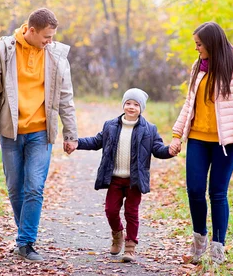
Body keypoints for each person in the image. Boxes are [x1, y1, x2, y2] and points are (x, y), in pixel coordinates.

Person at [0, 8, 78, 262]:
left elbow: (65, 97)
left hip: (40, 132)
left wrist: (71, 134)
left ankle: (25, 243)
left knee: (34, 187)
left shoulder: (56, 55)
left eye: (52, 36)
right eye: (46, 36)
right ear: (31, 31)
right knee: (16, 189)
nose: (50, 41)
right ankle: (25, 234)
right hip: (10, 132)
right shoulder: (4, 50)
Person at [168, 21, 233, 265]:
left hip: (225, 144)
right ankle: (199, 242)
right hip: (197, 138)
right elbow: (189, 104)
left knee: (217, 193)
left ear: (212, 43)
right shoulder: (199, 66)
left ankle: (218, 248)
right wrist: (177, 135)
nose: (196, 49)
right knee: (195, 190)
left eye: (199, 44)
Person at [66, 88, 177, 263]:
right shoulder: (110, 126)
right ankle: (117, 234)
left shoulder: (149, 129)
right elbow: (96, 142)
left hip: (134, 181)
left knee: (131, 213)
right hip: (115, 179)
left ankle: (130, 247)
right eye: (128, 103)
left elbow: (158, 149)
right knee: (110, 210)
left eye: (136, 104)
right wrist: (77, 143)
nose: (131, 107)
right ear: (123, 105)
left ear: (142, 108)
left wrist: (169, 151)